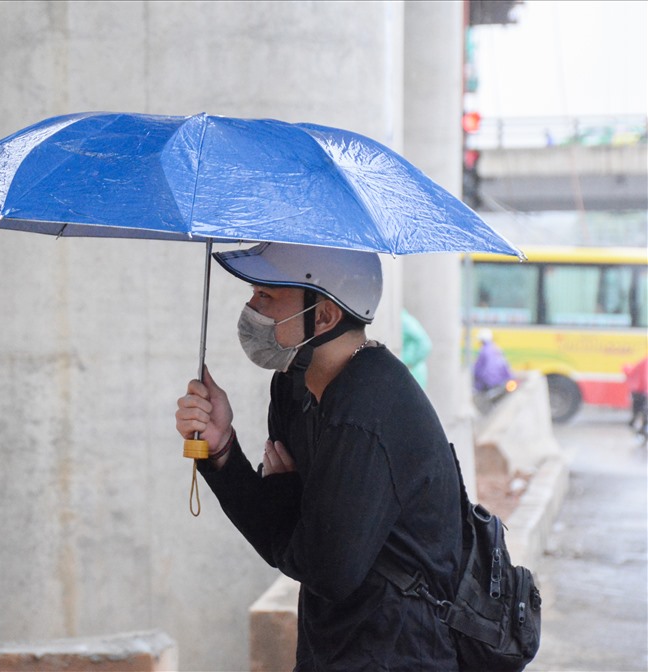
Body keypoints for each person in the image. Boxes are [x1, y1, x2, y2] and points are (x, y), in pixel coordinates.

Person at [175, 243, 462, 671]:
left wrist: (286, 498)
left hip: (399, 652)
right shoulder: (294, 389)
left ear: (324, 316)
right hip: (331, 647)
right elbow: (285, 543)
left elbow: (326, 571)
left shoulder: (368, 410)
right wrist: (220, 449)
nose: (250, 309)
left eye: (266, 297)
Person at [400, 308, 432, 389]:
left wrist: (409, 362)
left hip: (413, 370)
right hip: (412, 370)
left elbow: (425, 344)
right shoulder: (405, 319)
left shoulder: (404, 320)